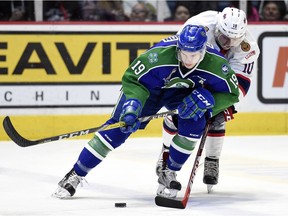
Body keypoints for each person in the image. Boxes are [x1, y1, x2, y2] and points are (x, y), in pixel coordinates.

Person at [52, 25, 239, 199]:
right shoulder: (158, 56)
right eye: (184, 54)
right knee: (117, 129)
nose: (188, 60)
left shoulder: (216, 64)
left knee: (195, 121)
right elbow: (132, 79)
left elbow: (232, 93)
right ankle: (75, 174)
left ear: (203, 51)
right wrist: (133, 104)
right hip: (148, 91)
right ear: (178, 49)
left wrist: (209, 100)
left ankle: (169, 171)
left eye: (194, 55)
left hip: (182, 94)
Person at [156, 7, 260, 191]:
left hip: (219, 81)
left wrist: (220, 104)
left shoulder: (248, 48)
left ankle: (212, 160)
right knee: (176, 115)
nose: (228, 43)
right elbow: (180, 58)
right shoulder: (199, 25)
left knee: (217, 118)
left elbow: (239, 85)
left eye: (234, 39)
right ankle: (165, 153)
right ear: (217, 28)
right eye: (224, 37)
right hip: (191, 74)